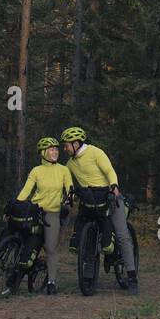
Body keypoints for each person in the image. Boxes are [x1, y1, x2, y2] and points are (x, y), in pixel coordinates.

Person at [60, 126, 137, 295]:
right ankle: (88, 275)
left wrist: (114, 187)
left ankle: (132, 278)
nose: (64, 148)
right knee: (89, 237)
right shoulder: (70, 164)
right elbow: (67, 183)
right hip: (90, 201)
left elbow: (109, 171)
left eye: (66, 145)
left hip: (109, 197)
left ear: (76, 143)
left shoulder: (95, 152)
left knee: (122, 234)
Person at [16, 136, 73, 295]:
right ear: (43, 153)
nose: (55, 152)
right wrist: (17, 205)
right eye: (51, 149)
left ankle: (51, 282)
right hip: (35, 211)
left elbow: (70, 190)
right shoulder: (36, 170)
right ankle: (18, 272)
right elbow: (26, 191)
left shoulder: (64, 170)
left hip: (53, 213)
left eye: (56, 149)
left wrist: (67, 204)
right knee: (24, 240)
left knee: (50, 248)